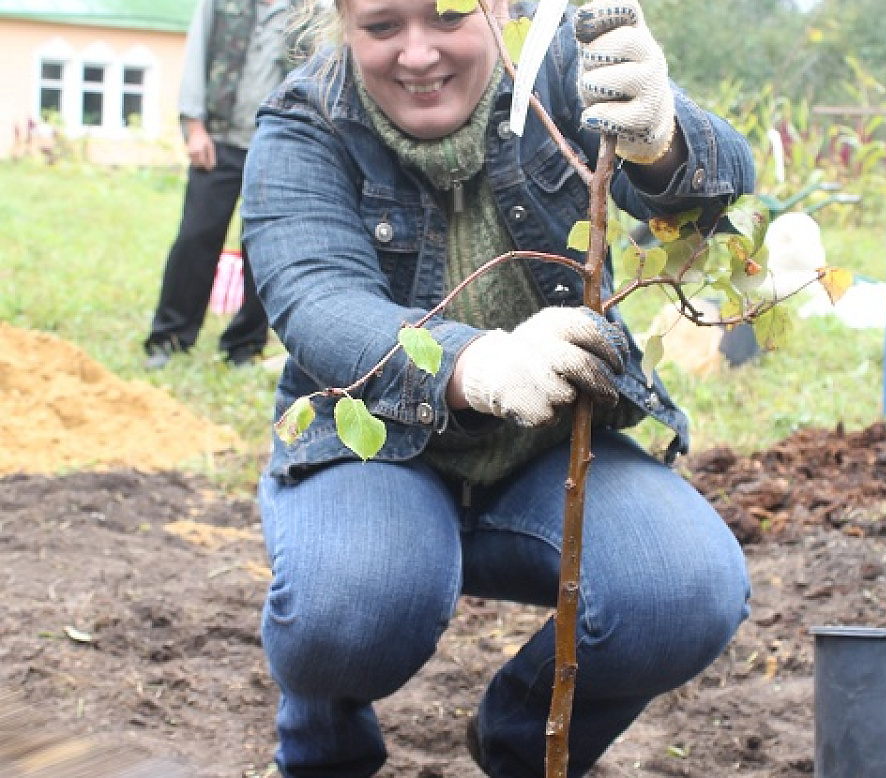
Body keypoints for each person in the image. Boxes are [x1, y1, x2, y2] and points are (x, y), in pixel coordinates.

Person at [241, 0, 755, 774]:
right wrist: (475, 364)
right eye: (382, 27)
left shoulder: (556, 72)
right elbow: (318, 301)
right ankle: (325, 756)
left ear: (502, 7)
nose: (418, 53)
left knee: (683, 592)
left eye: (448, 16)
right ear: (343, 24)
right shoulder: (304, 123)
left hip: (546, 451)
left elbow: (710, 203)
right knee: (352, 605)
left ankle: (521, 745)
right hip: (372, 451)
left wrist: (662, 143)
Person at [143, 0, 297, 369]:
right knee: (196, 237)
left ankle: (244, 346)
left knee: (264, 250)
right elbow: (197, 56)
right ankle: (170, 337)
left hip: (277, 145)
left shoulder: (308, 8)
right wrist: (194, 126)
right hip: (218, 140)